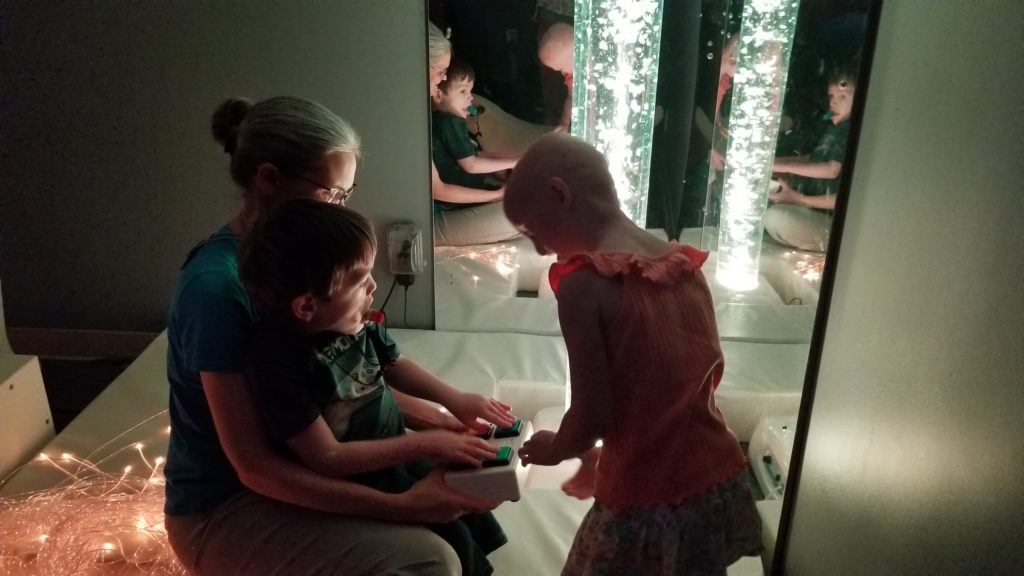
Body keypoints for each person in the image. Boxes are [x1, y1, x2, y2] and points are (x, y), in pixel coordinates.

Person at [164, 95, 501, 576]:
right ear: (269, 180)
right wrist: (407, 506)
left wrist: (446, 421)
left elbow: (338, 385)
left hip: (292, 468)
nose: (342, 208)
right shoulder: (218, 291)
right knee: (432, 559)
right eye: (332, 194)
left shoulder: (301, 268)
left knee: (465, 496)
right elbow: (255, 466)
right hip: (226, 505)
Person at [505, 133, 762, 575]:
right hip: (718, 477)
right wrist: (600, 461)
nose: (540, 250)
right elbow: (675, 386)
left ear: (558, 194)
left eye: (533, 231)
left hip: (646, 498)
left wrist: (559, 447)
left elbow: (593, 417)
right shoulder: (683, 264)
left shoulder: (584, 287)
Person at [238, 199, 514, 575]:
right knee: (450, 537)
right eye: (359, 279)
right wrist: (427, 441)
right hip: (357, 484)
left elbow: (395, 365)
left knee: (466, 495)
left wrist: (455, 400)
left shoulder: (354, 322)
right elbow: (326, 458)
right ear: (306, 306)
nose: (373, 285)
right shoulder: (274, 360)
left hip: (395, 451)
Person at [427, 21, 520, 246]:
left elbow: (474, 155)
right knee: (523, 213)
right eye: (441, 72)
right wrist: (497, 194)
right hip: (440, 209)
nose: (441, 80)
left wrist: (514, 161)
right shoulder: (447, 123)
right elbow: (470, 165)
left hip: (452, 197)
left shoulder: (447, 121)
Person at [765, 67, 857, 252]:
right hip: (812, 205)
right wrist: (776, 164)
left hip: (833, 223)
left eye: (843, 97)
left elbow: (831, 169)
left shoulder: (850, 131)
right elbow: (815, 158)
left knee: (776, 218)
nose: (834, 103)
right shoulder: (835, 127)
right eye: (832, 96)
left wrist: (797, 196)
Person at [432, 57, 517, 193]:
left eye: (470, 91)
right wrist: (515, 162)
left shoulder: (439, 121)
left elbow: (472, 154)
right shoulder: (451, 122)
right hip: (460, 195)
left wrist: (511, 159)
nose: (470, 98)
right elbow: (471, 165)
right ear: (438, 95)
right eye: (463, 91)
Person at [537, 22, 574, 131]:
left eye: (561, 67)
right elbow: (571, 98)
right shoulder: (572, 78)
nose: (562, 73)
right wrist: (565, 122)